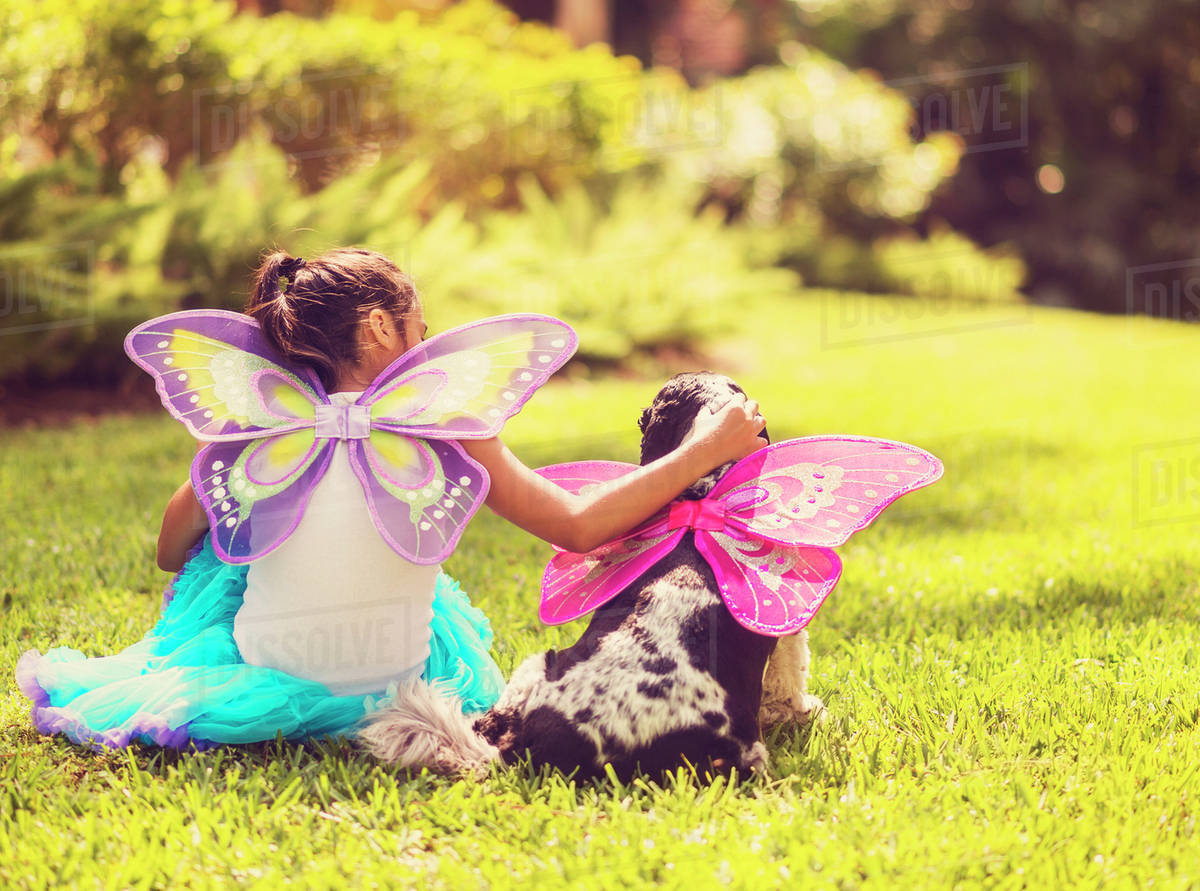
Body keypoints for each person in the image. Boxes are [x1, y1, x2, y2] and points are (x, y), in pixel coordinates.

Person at [16, 247, 767, 752]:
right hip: (399, 681)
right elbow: (575, 524)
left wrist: (233, 466)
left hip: (264, 674)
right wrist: (701, 453)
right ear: (380, 327)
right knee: (402, 552)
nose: (429, 343)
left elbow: (166, 551)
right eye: (420, 329)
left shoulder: (260, 425)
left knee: (229, 542)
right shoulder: (445, 423)